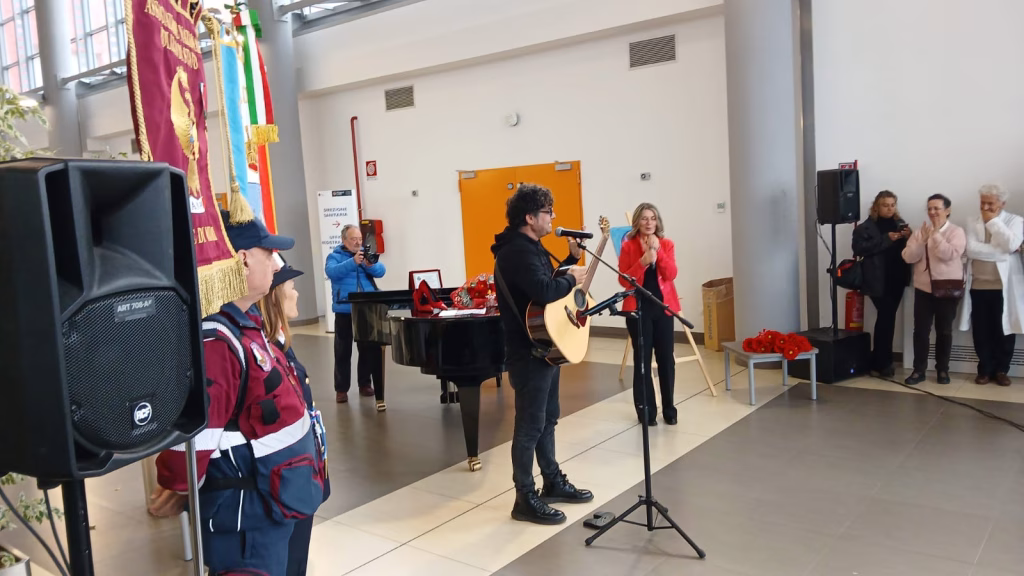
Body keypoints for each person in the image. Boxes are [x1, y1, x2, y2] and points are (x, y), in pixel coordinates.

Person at [149, 213, 325, 575]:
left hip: (274, 506)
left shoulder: (244, 326)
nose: (276, 263)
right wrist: (178, 485)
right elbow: (192, 446)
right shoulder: (217, 340)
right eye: (268, 252)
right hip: (247, 525)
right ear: (243, 260)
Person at [491, 183, 593, 525]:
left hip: (544, 346)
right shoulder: (515, 251)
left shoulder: (529, 246)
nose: (553, 217)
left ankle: (551, 481)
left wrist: (570, 261)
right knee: (529, 427)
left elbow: (543, 281)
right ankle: (524, 496)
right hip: (527, 351)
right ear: (530, 217)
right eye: (548, 212)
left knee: (548, 418)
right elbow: (545, 289)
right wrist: (573, 277)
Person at [258, 254, 330, 576]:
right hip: (282, 483)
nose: (297, 292)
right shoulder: (264, 351)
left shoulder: (279, 344)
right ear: (274, 295)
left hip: (298, 477)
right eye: (291, 285)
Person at [617, 203, 679, 426]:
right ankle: (646, 411)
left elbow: (671, 274)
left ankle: (669, 408)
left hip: (663, 309)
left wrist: (658, 252)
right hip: (638, 309)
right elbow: (624, 280)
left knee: (666, 360)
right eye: (644, 218)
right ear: (637, 222)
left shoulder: (667, 244)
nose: (649, 222)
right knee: (642, 361)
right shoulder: (628, 247)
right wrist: (643, 261)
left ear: (658, 221)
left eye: (653, 218)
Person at [957, 184, 1024, 387]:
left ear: (1002, 204)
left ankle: (1002, 370)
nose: (985, 207)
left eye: (990, 203)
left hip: (1004, 287)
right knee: (981, 330)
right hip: (979, 285)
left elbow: (1012, 244)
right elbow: (971, 249)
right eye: (982, 202)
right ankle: (985, 369)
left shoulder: (1015, 221)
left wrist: (993, 222)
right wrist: (1001, 252)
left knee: (1004, 330)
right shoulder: (971, 221)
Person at [901, 194, 967, 385]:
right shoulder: (921, 232)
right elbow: (908, 257)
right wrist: (921, 242)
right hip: (924, 290)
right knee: (920, 331)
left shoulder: (956, 232)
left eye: (936, 208)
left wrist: (936, 235)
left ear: (947, 210)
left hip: (947, 289)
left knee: (944, 331)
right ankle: (918, 370)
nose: (932, 212)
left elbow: (950, 254)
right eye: (929, 208)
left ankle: (942, 370)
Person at [852, 190, 911, 377]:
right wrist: (887, 239)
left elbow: (908, 250)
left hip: (898, 278)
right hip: (877, 280)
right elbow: (859, 249)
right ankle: (882, 362)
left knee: (888, 317)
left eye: (893, 205)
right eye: (886, 205)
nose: (890, 208)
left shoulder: (900, 223)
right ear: (876, 206)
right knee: (886, 317)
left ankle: (879, 359)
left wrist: (909, 236)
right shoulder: (865, 227)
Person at [326, 224, 386, 403]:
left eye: (360, 239)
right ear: (344, 240)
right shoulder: (335, 256)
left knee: (367, 348)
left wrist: (369, 264)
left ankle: (365, 384)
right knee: (343, 350)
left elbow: (381, 271)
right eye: (354, 239)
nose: (358, 242)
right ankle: (341, 389)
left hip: (366, 308)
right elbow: (332, 272)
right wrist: (353, 262)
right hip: (345, 309)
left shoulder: (365, 255)